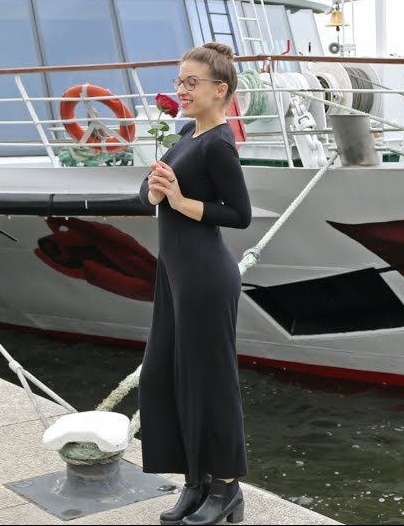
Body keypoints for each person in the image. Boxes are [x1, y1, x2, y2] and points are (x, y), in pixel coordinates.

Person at [138, 42, 252, 526]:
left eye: (191, 82)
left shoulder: (218, 143)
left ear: (219, 90)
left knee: (210, 384)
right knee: (164, 376)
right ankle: (196, 481)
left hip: (206, 277)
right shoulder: (187, 133)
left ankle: (226, 489)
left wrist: (181, 202)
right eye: (179, 81)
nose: (181, 90)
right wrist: (154, 192)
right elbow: (149, 195)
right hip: (175, 275)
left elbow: (240, 215)